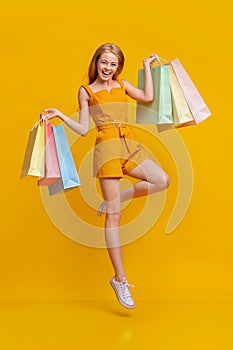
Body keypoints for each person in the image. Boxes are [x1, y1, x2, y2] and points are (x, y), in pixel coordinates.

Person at [40, 43, 170, 310]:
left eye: (113, 64)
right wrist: (62, 115)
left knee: (162, 180)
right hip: (106, 147)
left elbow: (146, 97)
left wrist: (147, 66)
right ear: (96, 62)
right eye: (104, 63)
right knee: (114, 217)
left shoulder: (123, 85)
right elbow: (84, 129)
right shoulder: (86, 91)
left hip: (129, 142)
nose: (108, 68)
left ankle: (121, 196)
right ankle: (120, 279)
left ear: (118, 66)